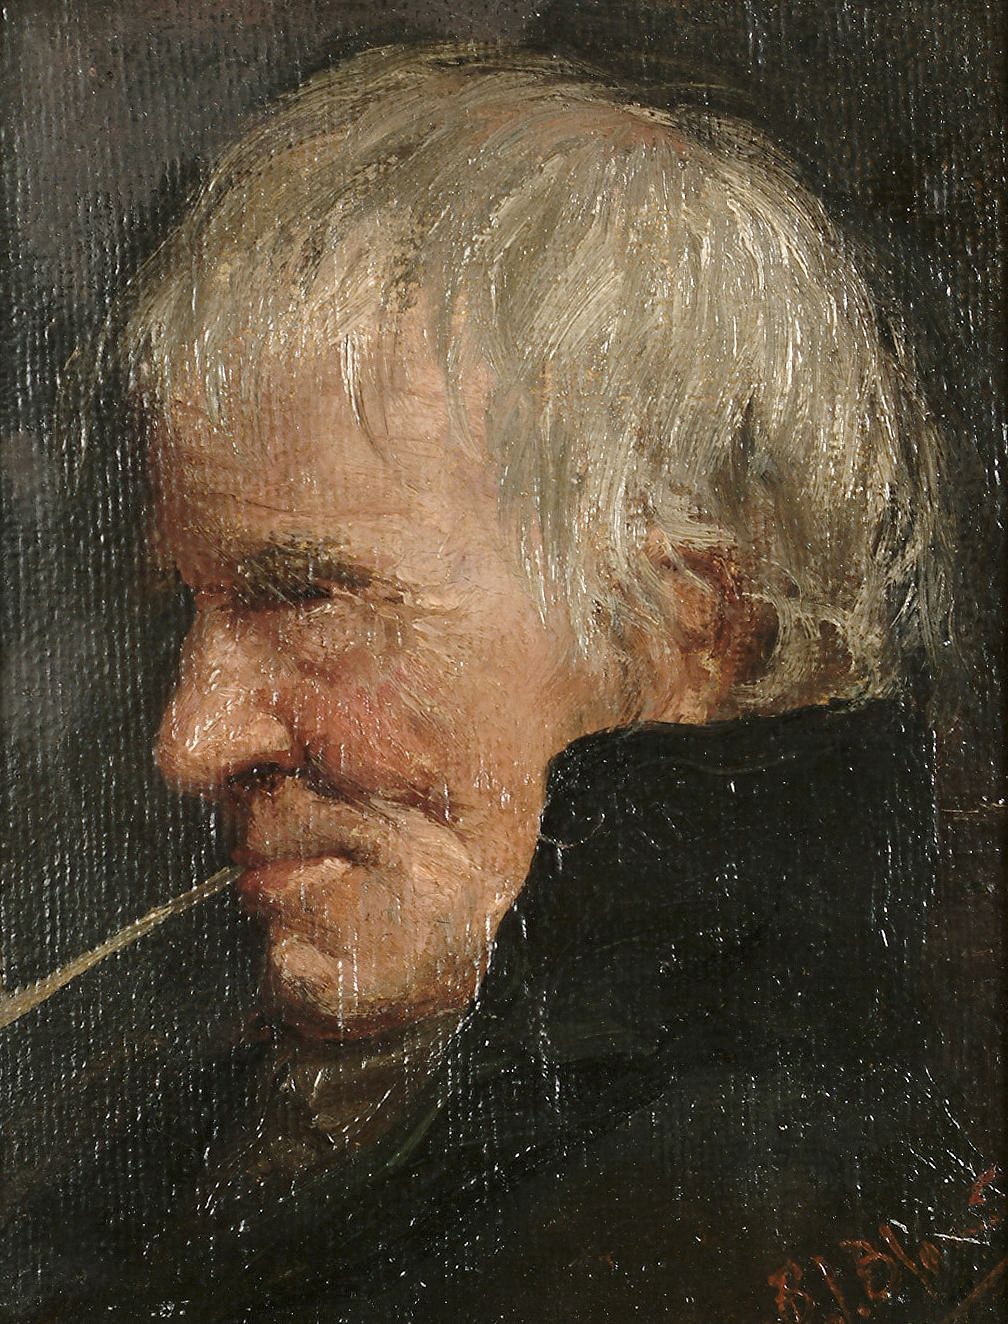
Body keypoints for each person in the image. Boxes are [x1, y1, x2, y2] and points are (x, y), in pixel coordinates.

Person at [8, 42, 1003, 1323]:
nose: (190, 739)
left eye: (309, 598)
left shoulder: (720, 1209)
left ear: (687, 635)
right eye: (187, 613)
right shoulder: (163, 1137)